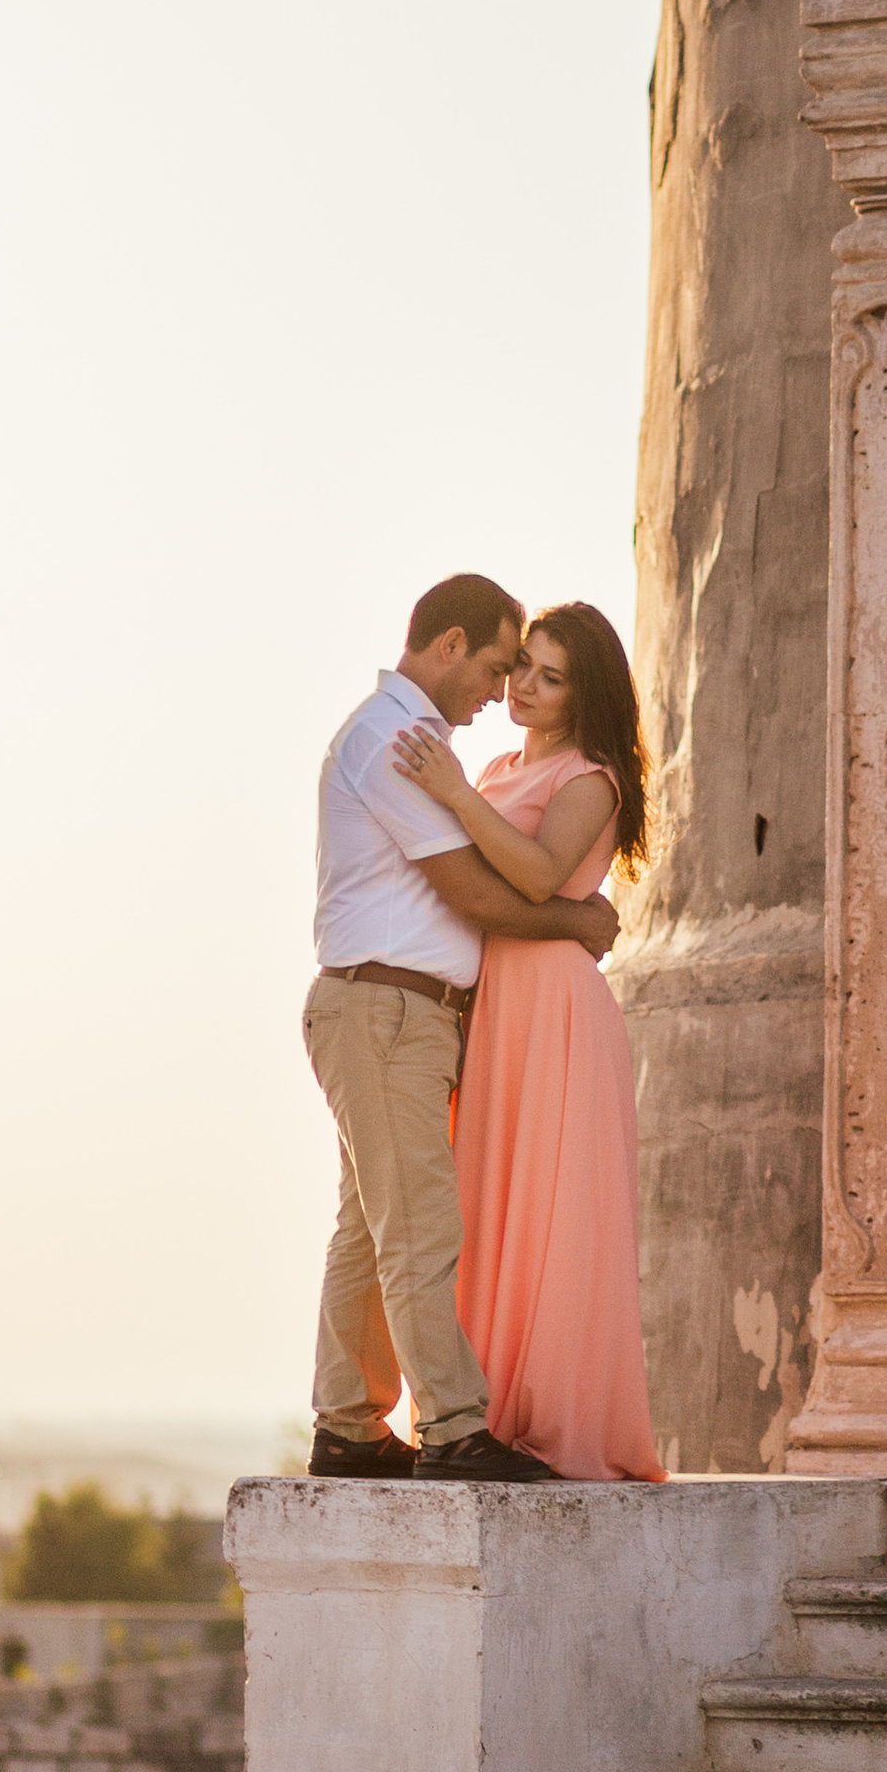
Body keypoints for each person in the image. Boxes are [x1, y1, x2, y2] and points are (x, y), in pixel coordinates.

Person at [304, 574, 619, 1482]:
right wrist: (578, 921)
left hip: (398, 1011)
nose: (499, 690)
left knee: (370, 1228)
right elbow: (471, 889)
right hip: (386, 1008)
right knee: (417, 1227)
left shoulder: (420, 741)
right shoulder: (396, 741)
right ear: (447, 646)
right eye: (493, 667)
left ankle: (349, 1428)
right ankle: (450, 1430)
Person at [391, 601, 664, 1483]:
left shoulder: (591, 777)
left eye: (550, 676)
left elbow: (542, 872)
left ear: (585, 695)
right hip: (493, 1000)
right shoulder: (501, 762)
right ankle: (480, 1412)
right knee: (483, 1203)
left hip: (553, 1008)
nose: (523, 688)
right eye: (522, 668)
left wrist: (455, 792)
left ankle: (553, 1416)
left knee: (550, 1209)